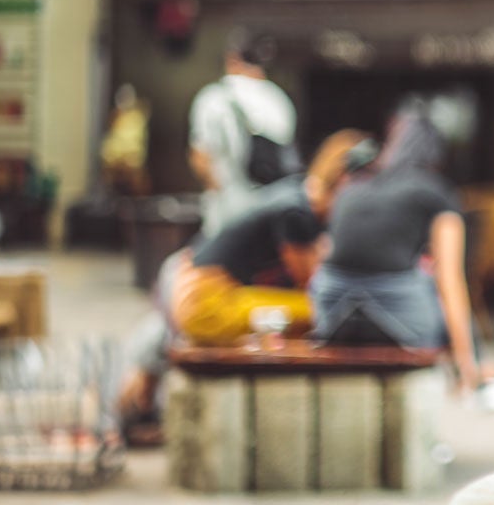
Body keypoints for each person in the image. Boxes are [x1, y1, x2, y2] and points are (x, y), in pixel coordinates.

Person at [116, 129, 372, 444]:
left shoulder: (297, 195)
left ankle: (134, 409)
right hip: (204, 298)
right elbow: (314, 285)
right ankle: (134, 410)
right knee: (326, 311)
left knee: (153, 357)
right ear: (344, 178)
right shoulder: (298, 211)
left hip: (188, 280)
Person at [309, 103, 491, 391]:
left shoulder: (354, 186)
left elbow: (326, 250)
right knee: (431, 278)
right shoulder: (434, 191)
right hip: (397, 317)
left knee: (421, 274)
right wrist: (467, 359)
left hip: (331, 313)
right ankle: (475, 372)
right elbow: (450, 278)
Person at [189, 28, 295, 236]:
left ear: (232, 58)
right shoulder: (280, 100)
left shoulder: (214, 98)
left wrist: (219, 195)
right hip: (272, 214)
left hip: (228, 215)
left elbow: (201, 158)